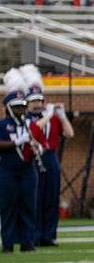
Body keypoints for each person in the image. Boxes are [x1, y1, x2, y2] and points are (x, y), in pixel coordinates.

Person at [24, 79, 74, 247]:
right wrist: (49, 115)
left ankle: (49, 235)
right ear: (28, 103)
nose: (37, 104)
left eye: (39, 101)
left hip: (50, 156)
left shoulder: (50, 117)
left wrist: (62, 116)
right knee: (36, 197)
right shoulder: (26, 118)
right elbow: (34, 129)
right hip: (34, 158)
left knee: (51, 197)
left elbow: (69, 133)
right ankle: (34, 234)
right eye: (33, 101)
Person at [0, 88, 45, 253]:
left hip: (27, 170)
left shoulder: (30, 125)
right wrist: (17, 142)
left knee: (28, 206)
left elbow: (41, 143)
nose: (21, 110)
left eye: (23, 106)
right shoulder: (2, 125)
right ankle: (8, 243)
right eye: (17, 106)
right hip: (7, 170)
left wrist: (38, 148)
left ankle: (28, 242)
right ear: (9, 107)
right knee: (8, 207)